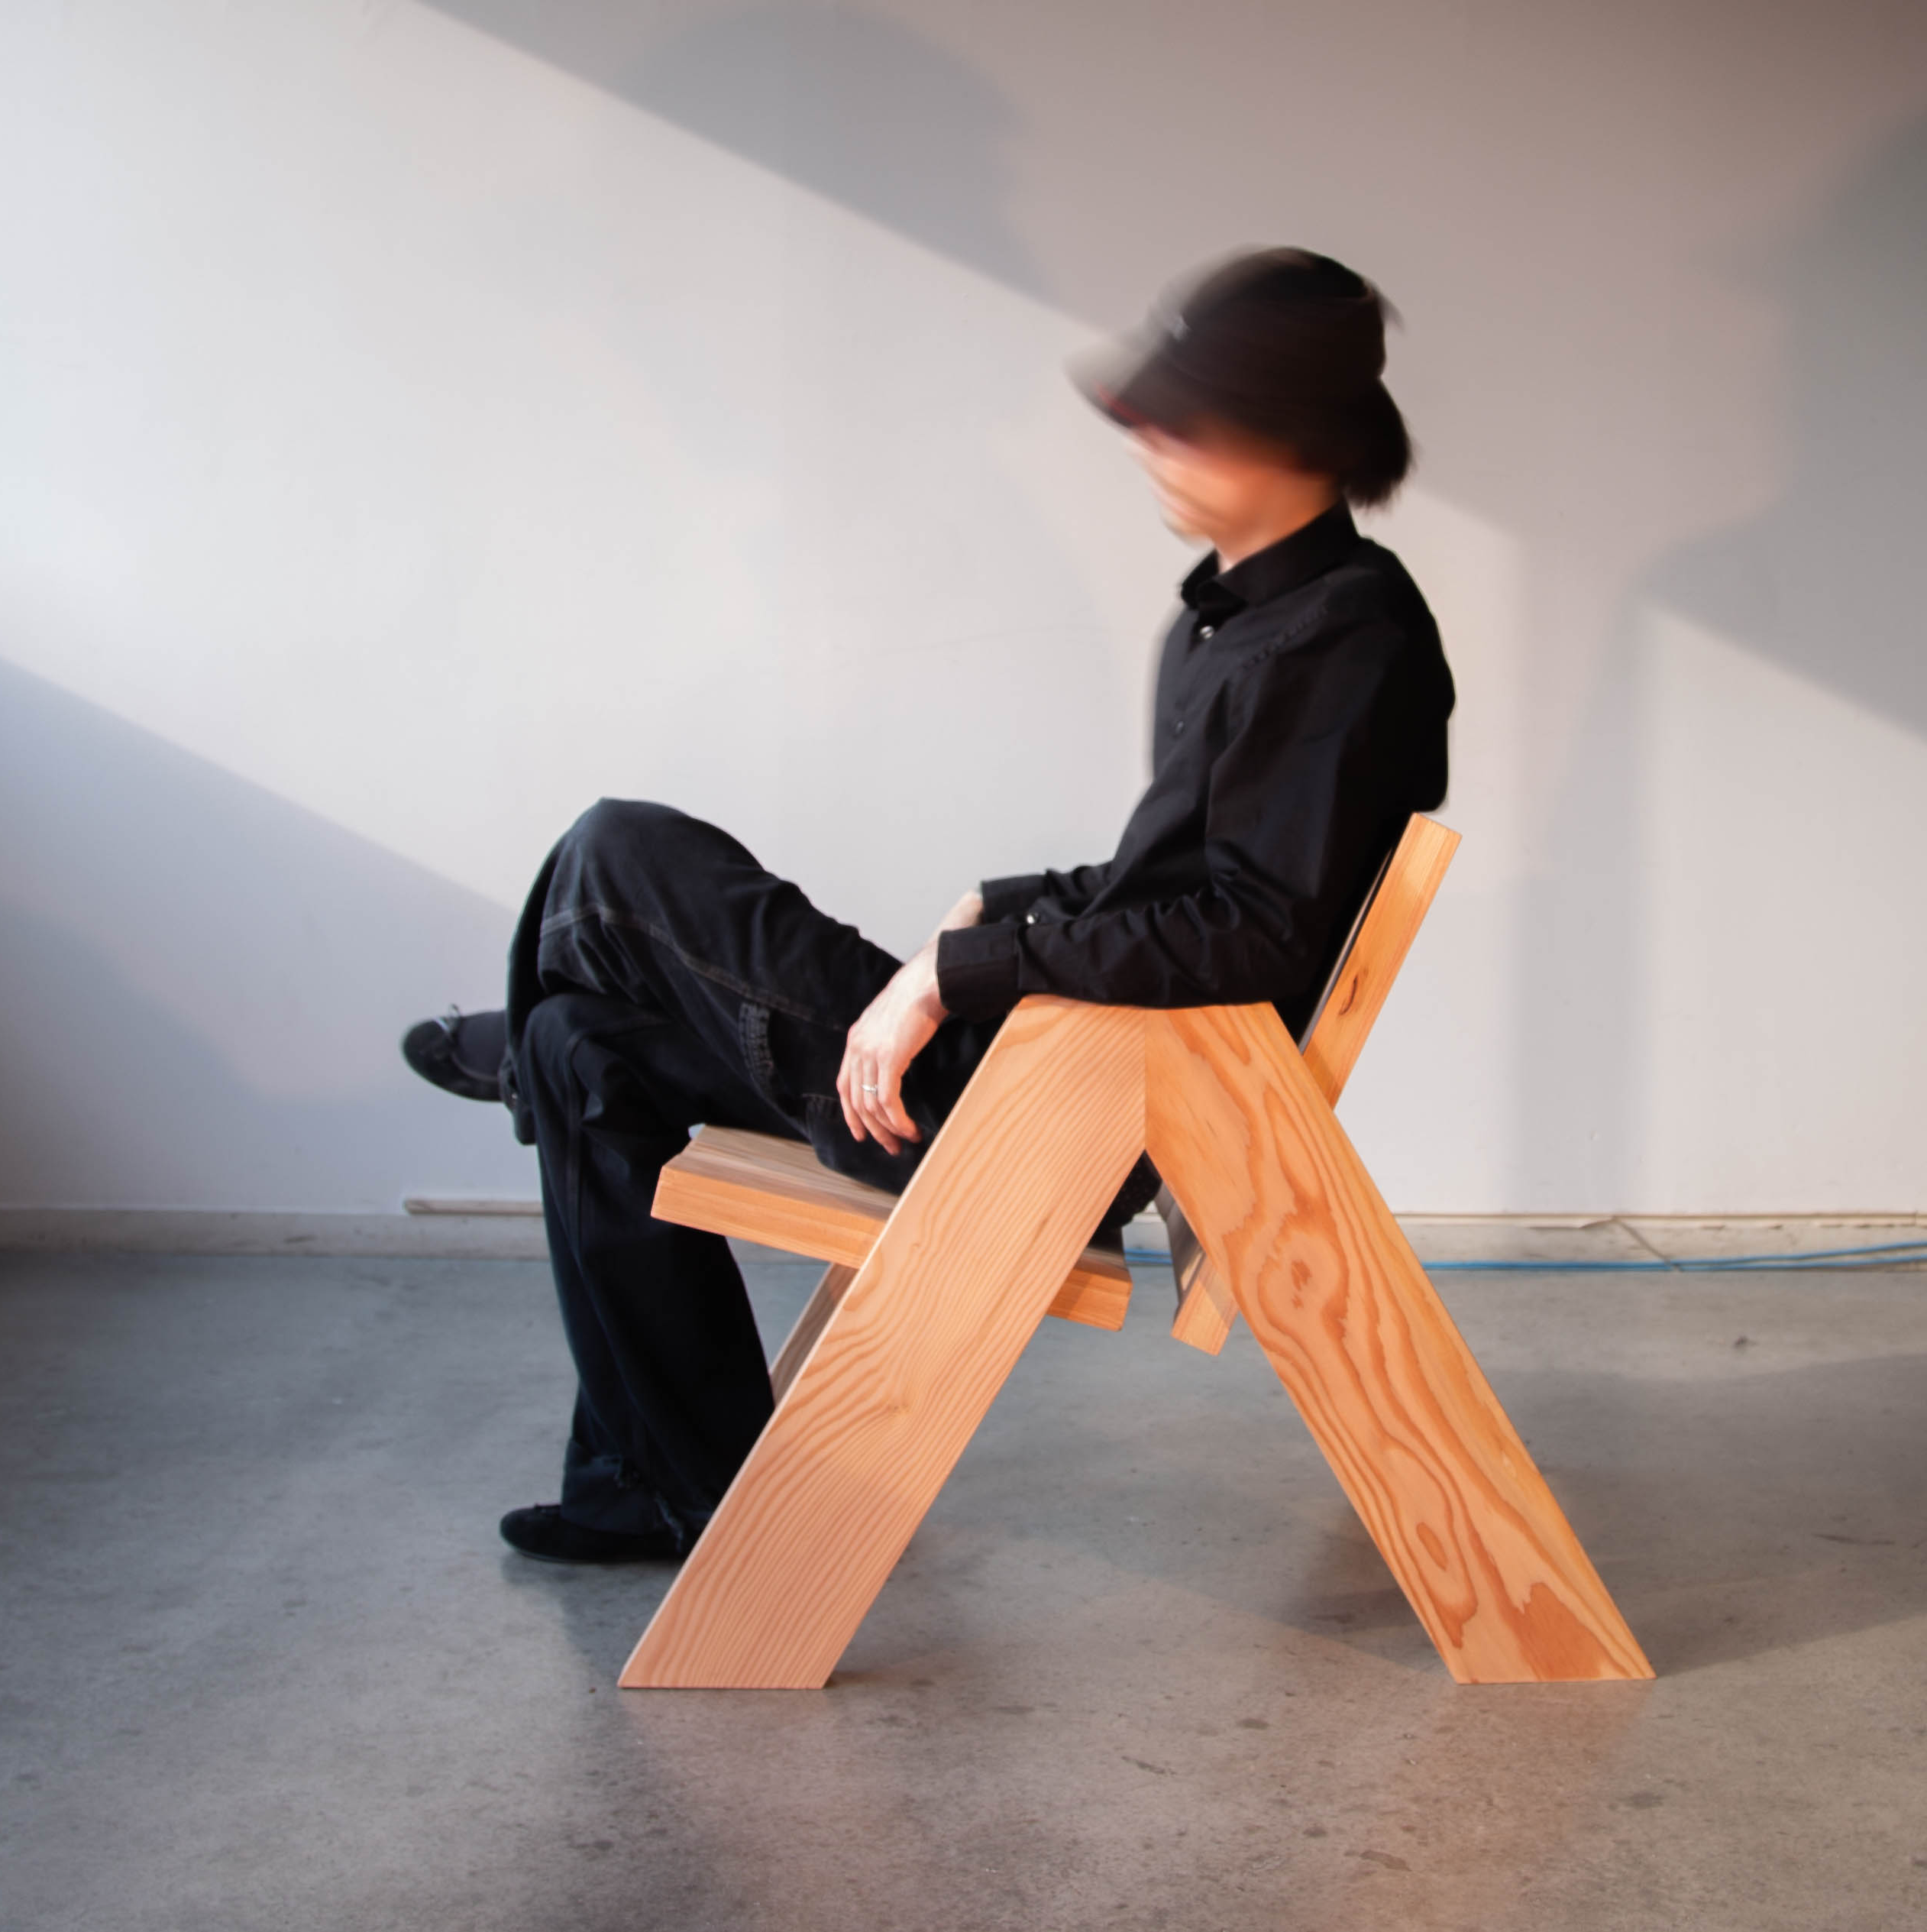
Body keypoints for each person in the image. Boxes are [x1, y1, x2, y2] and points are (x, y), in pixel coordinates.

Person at [402, 248, 1455, 1562]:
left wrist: (957, 970)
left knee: (621, 849)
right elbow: (1171, 887)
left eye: (1189, 419)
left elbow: (1252, 930)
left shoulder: (1345, 640)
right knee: (580, 1050)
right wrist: (997, 908)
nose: (1151, 442)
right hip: (1041, 1072)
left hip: (1043, 1114)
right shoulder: (1242, 623)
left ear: (1295, 437)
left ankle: (506, 1045)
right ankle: (663, 1487)